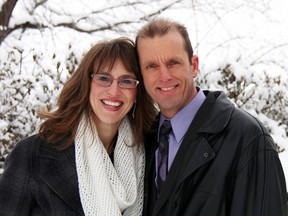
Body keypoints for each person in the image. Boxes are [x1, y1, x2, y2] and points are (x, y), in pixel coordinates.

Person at [135, 18, 288, 216]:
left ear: (194, 65)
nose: (164, 76)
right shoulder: (142, 141)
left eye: (173, 63)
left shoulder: (247, 138)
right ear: (141, 74)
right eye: (152, 66)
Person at [0, 37, 157, 216]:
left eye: (126, 81)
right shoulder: (33, 155)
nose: (114, 91)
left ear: (138, 91)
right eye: (104, 78)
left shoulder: (148, 156)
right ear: (86, 84)